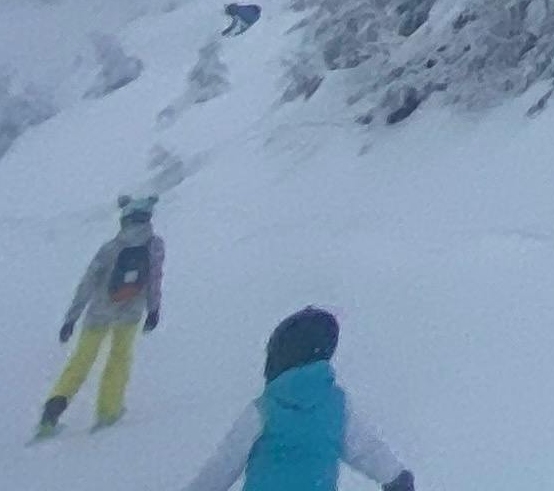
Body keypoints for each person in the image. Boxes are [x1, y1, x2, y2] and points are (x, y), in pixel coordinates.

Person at [170, 307, 417, 491]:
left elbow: (225, 463)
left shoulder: (263, 410)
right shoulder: (337, 408)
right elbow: (366, 448)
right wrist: (395, 476)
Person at [37, 194, 165, 437]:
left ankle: (51, 412)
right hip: (130, 314)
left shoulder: (110, 248)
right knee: (119, 359)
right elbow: (155, 280)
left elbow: (87, 283)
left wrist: (71, 318)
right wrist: (154, 310)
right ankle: (108, 411)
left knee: (81, 361)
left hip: (99, 313)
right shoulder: (155, 245)